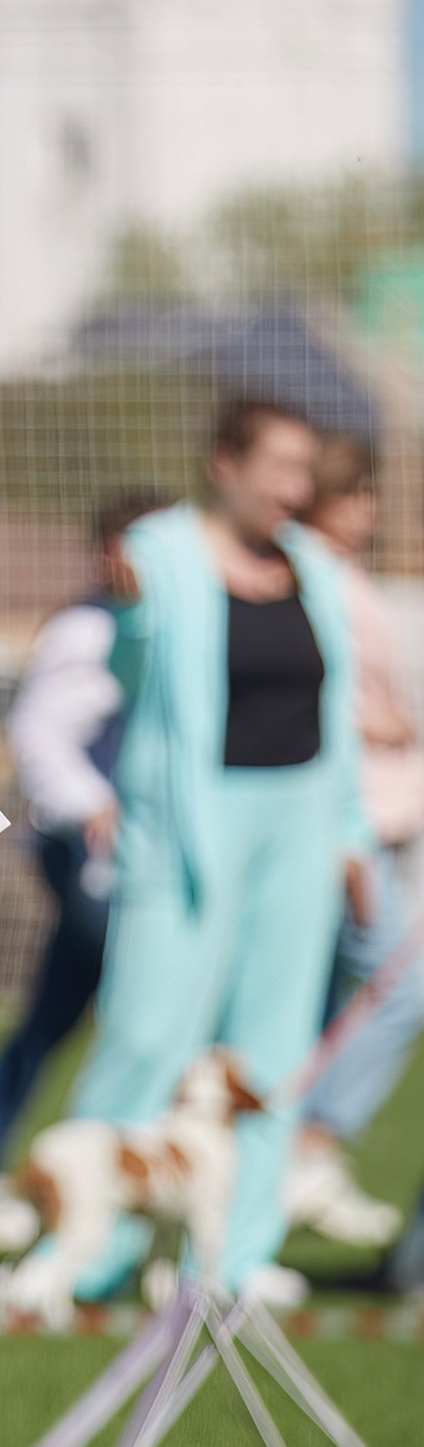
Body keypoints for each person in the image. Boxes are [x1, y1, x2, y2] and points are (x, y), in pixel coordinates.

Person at [16, 400, 369, 1309]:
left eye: (304, 470)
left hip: (299, 825)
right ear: (224, 463)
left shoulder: (314, 565)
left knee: (272, 1050)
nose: (295, 487)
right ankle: (88, 1247)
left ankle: (235, 1256)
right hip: (182, 832)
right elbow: (130, 674)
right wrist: (132, 610)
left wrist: (351, 837)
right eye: (279, 466)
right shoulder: (159, 553)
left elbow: (332, 711)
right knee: (145, 1033)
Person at [0, 490, 163, 1253]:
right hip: (89, 854)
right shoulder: (89, 628)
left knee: (59, 1007)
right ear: (106, 552)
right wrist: (94, 804)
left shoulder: (160, 619)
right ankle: (98, 1187)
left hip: (125, 855)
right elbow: (40, 733)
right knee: (145, 1009)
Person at [283, 435, 423, 1249]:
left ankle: (284, 1165)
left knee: (327, 999)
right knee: (401, 983)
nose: (371, 508)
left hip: (385, 814)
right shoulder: (315, 575)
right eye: (357, 492)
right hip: (352, 822)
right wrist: (380, 723)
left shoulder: (343, 574)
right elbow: (317, 689)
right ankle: (312, 1145)